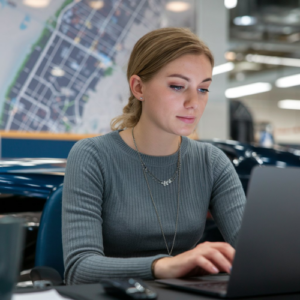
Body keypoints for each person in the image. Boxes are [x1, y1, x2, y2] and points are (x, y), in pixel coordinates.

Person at [62, 27, 246, 285]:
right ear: (139, 88)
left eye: (203, 89)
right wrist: (164, 266)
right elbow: (80, 269)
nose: (194, 102)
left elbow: (254, 254)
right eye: (178, 86)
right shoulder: (93, 156)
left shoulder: (212, 162)